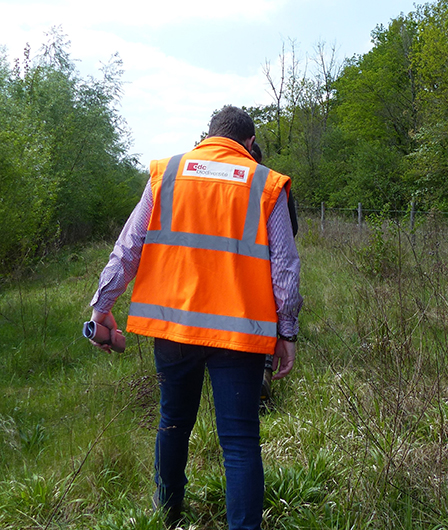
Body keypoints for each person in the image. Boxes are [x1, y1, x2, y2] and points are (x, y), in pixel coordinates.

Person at [87, 105, 302, 530]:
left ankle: (166, 515)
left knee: (172, 422)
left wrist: (103, 304)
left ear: (207, 136)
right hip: (241, 336)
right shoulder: (267, 184)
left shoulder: (166, 175)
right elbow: (285, 268)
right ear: (250, 143)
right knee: (240, 442)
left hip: (174, 329)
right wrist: (288, 331)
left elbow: (129, 247)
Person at [249, 141, 298, 408]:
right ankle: (262, 376)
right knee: (267, 317)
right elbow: (292, 230)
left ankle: (260, 379)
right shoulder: (274, 184)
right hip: (268, 263)